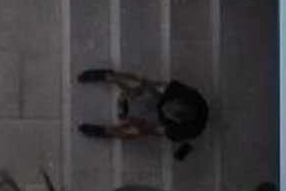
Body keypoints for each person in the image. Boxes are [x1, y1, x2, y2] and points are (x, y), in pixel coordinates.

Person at [76, 67, 212, 161]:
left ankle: (105, 132)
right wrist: (131, 93)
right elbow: (150, 85)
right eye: (172, 105)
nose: (170, 108)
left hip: (162, 120)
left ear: (177, 119)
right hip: (162, 98)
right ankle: (107, 75)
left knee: (133, 132)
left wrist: (131, 120)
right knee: (136, 83)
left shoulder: (181, 132)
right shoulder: (180, 92)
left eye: (171, 111)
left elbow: (150, 129)